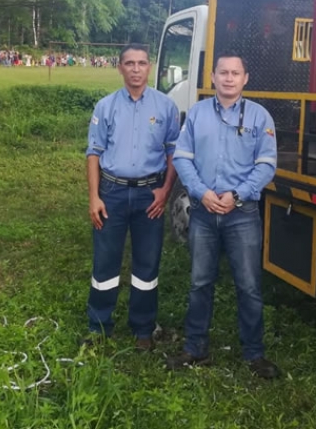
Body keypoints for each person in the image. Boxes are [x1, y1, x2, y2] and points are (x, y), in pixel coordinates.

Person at [166, 49, 280, 379]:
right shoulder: (198, 114)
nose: (229, 78)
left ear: (245, 79)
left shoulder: (260, 117)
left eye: (235, 73)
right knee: (200, 282)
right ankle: (195, 348)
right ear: (213, 77)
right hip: (203, 212)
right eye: (223, 73)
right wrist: (202, 192)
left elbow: (266, 164)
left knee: (248, 286)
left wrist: (237, 194)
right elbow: (182, 158)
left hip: (242, 214)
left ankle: (254, 354)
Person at [84, 43, 180, 351]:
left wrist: (165, 191)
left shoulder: (166, 107)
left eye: (141, 63)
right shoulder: (106, 106)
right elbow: (93, 154)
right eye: (129, 63)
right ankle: (99, 325)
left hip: (148, 196)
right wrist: (94, 197)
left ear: (150, 67)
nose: (136, 69)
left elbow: (173, 153)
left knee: (146, 265)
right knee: (105, 263)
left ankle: (143, 327)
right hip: (110, 194)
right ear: (120, 68)